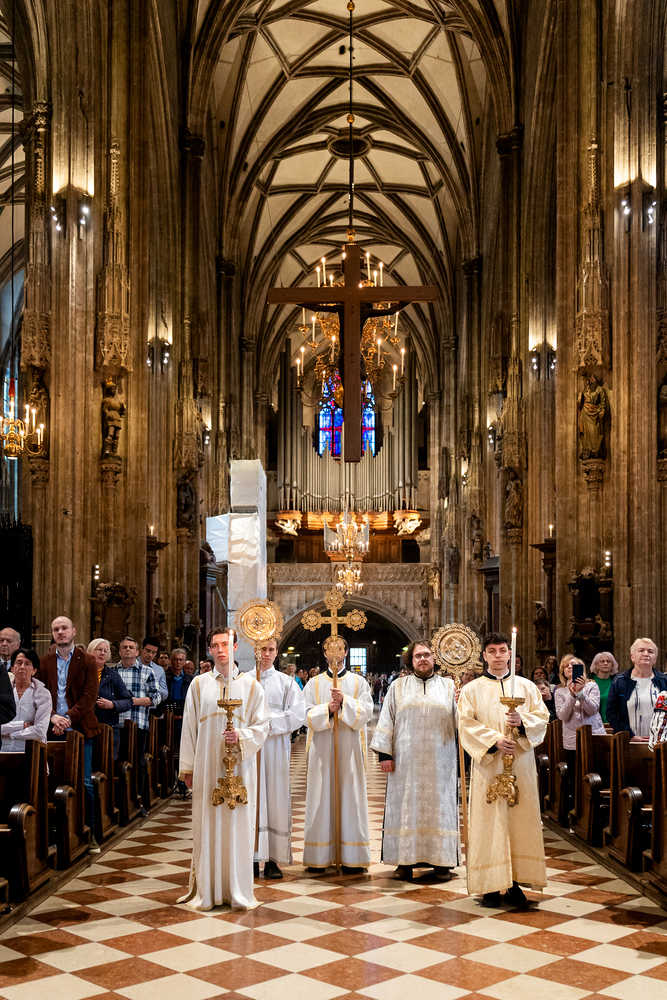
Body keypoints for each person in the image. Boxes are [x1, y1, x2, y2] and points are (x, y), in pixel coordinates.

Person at [179, 626, 271, 910]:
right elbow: (189, 728)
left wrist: (241, 736)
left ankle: (236, 890)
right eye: (215, 645)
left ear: (235, 648)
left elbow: (263, 726)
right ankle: (207, 890)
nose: (220, 650)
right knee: (206, 824)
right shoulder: (199, 685)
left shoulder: (252, 686)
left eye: (225, 645)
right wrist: (188, 768)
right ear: (209, 650)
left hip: (240, 768)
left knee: (238, 826)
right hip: (207, 766)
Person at [458, 631, 549, 909]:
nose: (498, 656)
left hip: (520, 764)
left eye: (502, 650)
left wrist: (522, 722)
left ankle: (515, 883)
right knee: (490, 823)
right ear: (484, 655)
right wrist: (493, 741)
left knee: (519, 823)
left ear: (510, 654)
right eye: (492, 651)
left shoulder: (527, 687)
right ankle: (490, 884)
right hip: (489, 765)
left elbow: (542, 718)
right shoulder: (471, 690)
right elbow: (465, 724)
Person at [370, 639, 459, 881]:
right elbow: (387, 719)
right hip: (405, 762)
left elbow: (461, 723)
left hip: (441, 761)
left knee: (440, 809)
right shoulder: (398, 687)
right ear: (410, 660)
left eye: (427, 655)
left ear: (434, 658)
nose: (422, 659)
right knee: (405, 808)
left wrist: (462, 704)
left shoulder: (450, 687)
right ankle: (404, 862)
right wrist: (385, 754)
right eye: (418, 655)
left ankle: (442, 862)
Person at [303, 637, 373, 874]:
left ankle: (352, 856)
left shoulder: (358, 682)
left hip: (349, 748)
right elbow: (304, 714)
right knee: (320, 796)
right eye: (329, 649)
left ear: (346, 652)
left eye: (339, 648)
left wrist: (344, 703)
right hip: (321, 748)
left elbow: (367, 711)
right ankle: (319, 855)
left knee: (351, 797)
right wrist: (326, 709)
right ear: (324, 653)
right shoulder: (313, 684)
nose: (334, 653)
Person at [38, 616, 100, 850]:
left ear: (73, 631)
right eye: (56, 629)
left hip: (79, 728)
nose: (60, 632)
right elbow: (40, 694)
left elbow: (89, 696)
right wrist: (53, 716)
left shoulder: (88, 660)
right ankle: (56, 834)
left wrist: (67, 719)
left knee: (84, 782)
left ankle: (89, 832)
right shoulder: (44, 663)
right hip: (51, 729)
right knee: (52, 783)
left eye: (64, 628)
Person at [255, 636, 305, 879]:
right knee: (252, 800)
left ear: (277, 653)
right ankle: (251, 856)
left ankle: (273, 860)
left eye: (271, 649)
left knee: (275, 798)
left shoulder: (287, 682)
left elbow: (298, 714)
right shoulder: (243, 680)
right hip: (250, 749)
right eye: (262, 649)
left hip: (275, 747)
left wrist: (266, 724)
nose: (266, 653)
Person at [116, 637, 161, 815]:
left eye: (131, 647)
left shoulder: (147, 671)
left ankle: (138, 801)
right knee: (118, 763)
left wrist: (133, 701)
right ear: (120, 651)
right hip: (117, 724)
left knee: (138, 763)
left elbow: (156, 697)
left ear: (137, 652)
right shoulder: (112, 671)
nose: (128, 650)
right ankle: (120, 803)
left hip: (138, 723)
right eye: (124, 647)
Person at [554, 655, 605, 792]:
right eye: (566, 666)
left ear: (581, 669)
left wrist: (581, 693)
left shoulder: (592, 685)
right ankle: (576, 803)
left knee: (596, 775)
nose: (570, 667)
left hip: (594, 735)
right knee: (575, 777)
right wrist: (571, 696)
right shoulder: (560, 691)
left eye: (573, 664)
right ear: (563, 673)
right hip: (572, 739)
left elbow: (593, 710)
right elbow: (563, 716)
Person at [606, 638, 667, 741]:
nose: (646, 654)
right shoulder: (620, 681)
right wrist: (630, 736)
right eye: (641, 650)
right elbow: (611, 713)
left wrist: (661, 736)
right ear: (632, 657)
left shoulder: (664, 681)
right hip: (628, 742)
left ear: (655, 659)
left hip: (661, 743)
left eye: (650, 651)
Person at [88, 638, 134, 760]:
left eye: (105, 651)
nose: (102, 653)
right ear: (90, 651)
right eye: (99, 650)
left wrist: (113, 704)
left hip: (108, 729)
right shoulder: (81, 673)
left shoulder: (113, 676)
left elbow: (128, 701)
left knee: (106, 765)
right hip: (86, 728)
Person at [1, 649, 50, 752]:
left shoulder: (43, 694)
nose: (22, 667)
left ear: (34, 670)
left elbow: (40, 731)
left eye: (27, 664)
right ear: (12, 668)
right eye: (19, 663)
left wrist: (12, 734)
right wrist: (21, 725)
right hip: (3, 750)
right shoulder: (2, 692)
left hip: (31, 752)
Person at [589, 651, 619, 724]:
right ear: (596, 665)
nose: (605, 663)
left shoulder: (617, 682)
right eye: (602, 661)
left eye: (608, 661)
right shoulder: (589, 681)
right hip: (593, 723)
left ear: (612, 665)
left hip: (613, 723)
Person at [140, 637, 167, 705]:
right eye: (148, 651)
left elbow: (165, 693)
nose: (150, 655)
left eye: (153, 653)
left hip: (152, 707)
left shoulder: (159, 669)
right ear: (142, 648)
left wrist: (154, 688)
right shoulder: (132, 665)